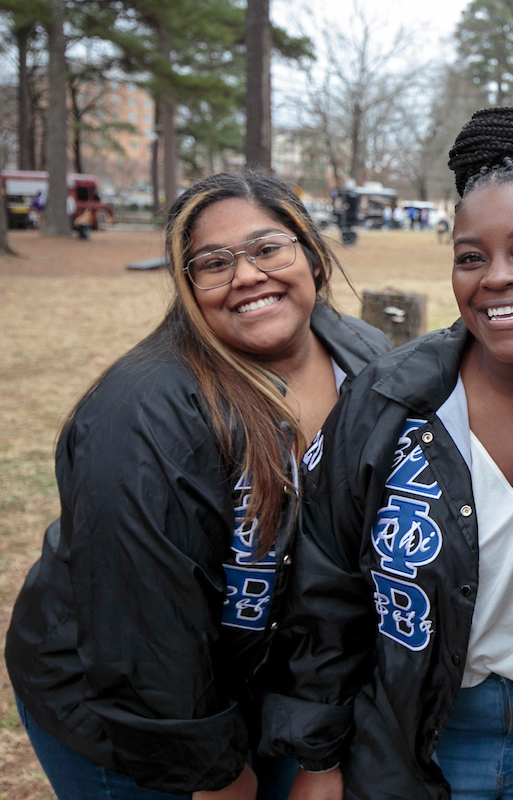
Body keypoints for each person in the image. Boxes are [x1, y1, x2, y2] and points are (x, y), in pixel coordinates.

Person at [5, 171, 392, 800]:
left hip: (266, 688)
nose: (246, 275)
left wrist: (318, 749)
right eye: (213, 263)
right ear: (188, 289)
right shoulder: (142, 414)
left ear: (312, 253)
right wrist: (212, 773)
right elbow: (141, 625)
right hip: (127, 714)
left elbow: (345, 579)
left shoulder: (367, 364)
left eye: (268, 248)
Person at [261, 107, 513, 800]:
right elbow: (326, 589)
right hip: (426, 740)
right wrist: (318, 760)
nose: (497, 277)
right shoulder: (390, 400)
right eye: (471, 257)